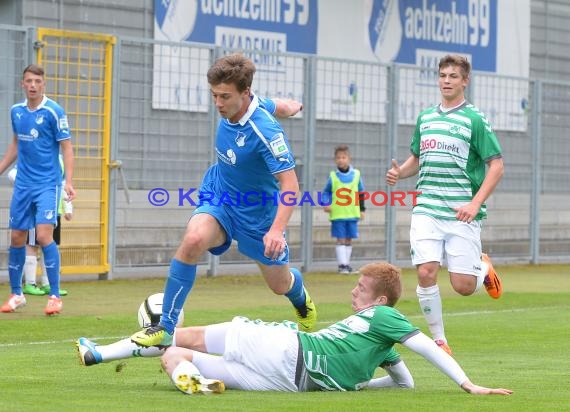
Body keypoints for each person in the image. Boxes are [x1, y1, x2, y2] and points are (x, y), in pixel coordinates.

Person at [76, 262, 512, 397]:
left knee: (177, 334)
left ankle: (100, 354)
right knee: (174, 357)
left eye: (361, 289)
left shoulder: (384, 318)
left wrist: (467, 384)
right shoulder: (373, 343)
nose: (354, 293)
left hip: (286, 347)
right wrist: (363, 385)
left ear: (381, 301)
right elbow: (404, 382)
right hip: (290, 382)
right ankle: (193, 380)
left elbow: (424, 350)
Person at [129, 53, 316, 348]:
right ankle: (165, 327)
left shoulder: (265, 131)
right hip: (220, 196)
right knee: (193, 239)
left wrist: (276, 230)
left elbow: (290, 183)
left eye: (225, 97)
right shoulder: (244, 103)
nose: (218, 103)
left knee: (279, 285)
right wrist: (291, 106)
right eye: (214, 95)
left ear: (245, 94)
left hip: (258, 215)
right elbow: (275, 104)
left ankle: (300, 295)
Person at [385, 54, 505, 355]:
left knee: (463, 286)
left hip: (461, 212)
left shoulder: (475, 119)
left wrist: (475, 204)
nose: (446, 81)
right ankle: (440, 341)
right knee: (426, 271)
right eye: (442, 75)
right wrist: (401, 173)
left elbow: (497, 165)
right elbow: (418, 158)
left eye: (453, 76)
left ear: (465, 81)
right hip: (427, 208)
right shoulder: (425, 117)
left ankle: (483, 268)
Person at [0, 64, 75, 315]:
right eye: (29, 81)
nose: (33, 85)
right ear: (23, 84)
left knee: (44, 236)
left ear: (44, 84)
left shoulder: (54, 111)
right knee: (16, 237)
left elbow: (67, 148)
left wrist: (69, 181)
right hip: (23, 184)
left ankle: (54, 295)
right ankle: (16, 294)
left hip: (47, 184)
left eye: (37, 81)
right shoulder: (16, 112)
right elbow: (15, 145)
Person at [8, 155, 73, 296]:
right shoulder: (31, 152)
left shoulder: (60, 159)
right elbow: (13, 173)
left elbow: (62, 184)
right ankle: (30, 283)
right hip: (35, 210)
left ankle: (47, 284)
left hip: (54, 211)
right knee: (32, 245)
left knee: (49, 245)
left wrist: (68, 208)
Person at [322, 144, 365, 274]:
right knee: (340, 238)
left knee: (349, 239)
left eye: (344, 157)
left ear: (349, 159)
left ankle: (347, 264)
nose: (341, 160)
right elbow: (326, 192)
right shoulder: (333, 177)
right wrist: (326, 203)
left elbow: (361, 193)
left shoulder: (357, 174)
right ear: (335, 160)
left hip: (352, 213)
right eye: (338, 158)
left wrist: (362, 209)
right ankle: (342, 266)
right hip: (338, 214)